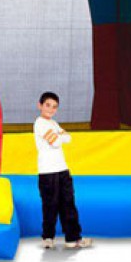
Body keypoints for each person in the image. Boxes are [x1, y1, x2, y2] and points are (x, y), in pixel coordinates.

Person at [34, 91, 93, 249]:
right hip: (47, 172)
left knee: (68, 204)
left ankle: (72, 238)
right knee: (50, 205)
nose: (51, 109)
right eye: (47, 105)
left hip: (62, 169)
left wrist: (60, 136)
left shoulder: (54, 123)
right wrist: (60, 137)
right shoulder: (40, 123)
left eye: (54, 107)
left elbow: (68, 137)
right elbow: (56, 142)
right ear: (40, 105)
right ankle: (48, 237)